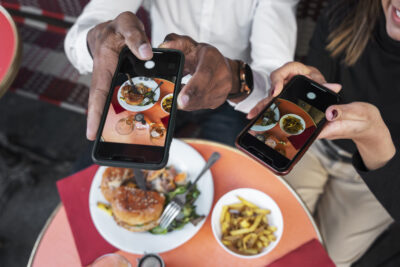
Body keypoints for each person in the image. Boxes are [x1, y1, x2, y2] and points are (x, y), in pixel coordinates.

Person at [248, 0, 400, 266]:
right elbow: (322, 80)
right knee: (266, 230)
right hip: (315, 146)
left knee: (324, 259)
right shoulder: (348, 9)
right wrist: (313, 79)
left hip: (379, 179)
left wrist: (374, 138)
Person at [64, 0, 298, 146]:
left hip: (232, 97)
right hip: (155, 83)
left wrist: (237, 80)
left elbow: (276, 77)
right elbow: (78, 38)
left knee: (228, 188)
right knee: (105, 176)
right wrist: (95, 39)